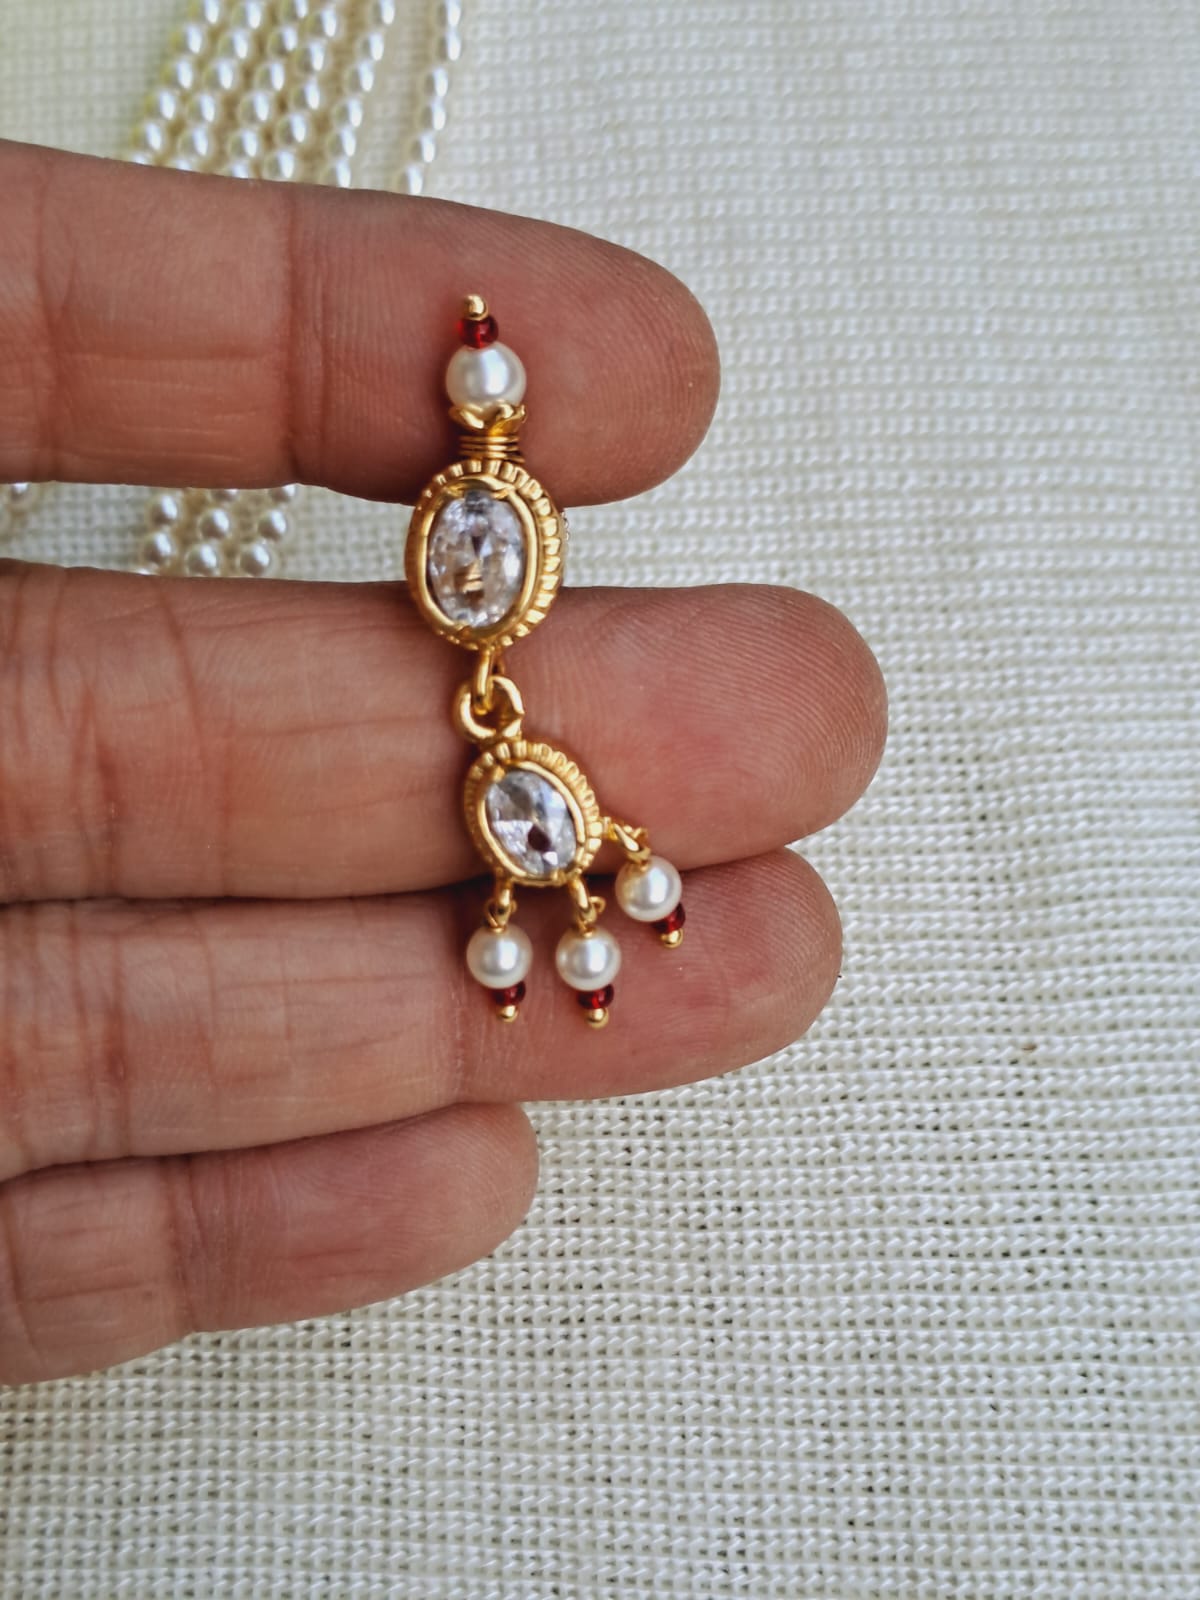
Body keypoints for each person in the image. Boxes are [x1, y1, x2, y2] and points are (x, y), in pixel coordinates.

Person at [0, 138, 886, 1385]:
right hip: (497, 726)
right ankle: (582, 917)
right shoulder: (477, 536)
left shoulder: (489, 534)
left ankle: (574, 918)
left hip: (502, 730)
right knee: (546, 853)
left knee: (556, 846)